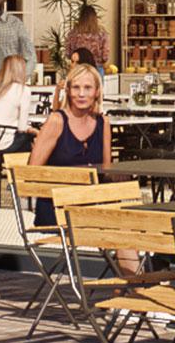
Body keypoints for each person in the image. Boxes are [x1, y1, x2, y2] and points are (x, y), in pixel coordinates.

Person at [27, 62, 112, 229]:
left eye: (88, 88)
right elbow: (32, 173)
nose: (81, 94)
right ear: (68, 91)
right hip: (57, 208)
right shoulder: (56, 121)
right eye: (76, 88)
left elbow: (106, 171)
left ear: (97, 92)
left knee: (132, 232)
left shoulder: (103, 123)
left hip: (90, 205)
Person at [65, 4, 109, 69]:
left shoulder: (73, 33)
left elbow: (68, 54)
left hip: (78, 69)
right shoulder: (101, 34)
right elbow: (105, 56)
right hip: (96, 68)